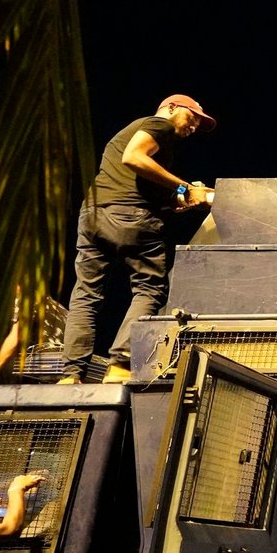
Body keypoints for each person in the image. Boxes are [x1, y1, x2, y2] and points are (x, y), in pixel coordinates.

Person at [59, 96, 216, 384]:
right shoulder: (159, 125)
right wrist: (182, 186)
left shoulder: (138, 132)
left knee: (86, 295)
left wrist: (178, 201)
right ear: (171, 108)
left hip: (95, 215)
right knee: (150, 290)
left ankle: (71, 375)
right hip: (131, 217)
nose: (194, 126)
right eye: (192, 117)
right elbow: (133, 157)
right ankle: (120, 364)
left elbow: (136, 179)